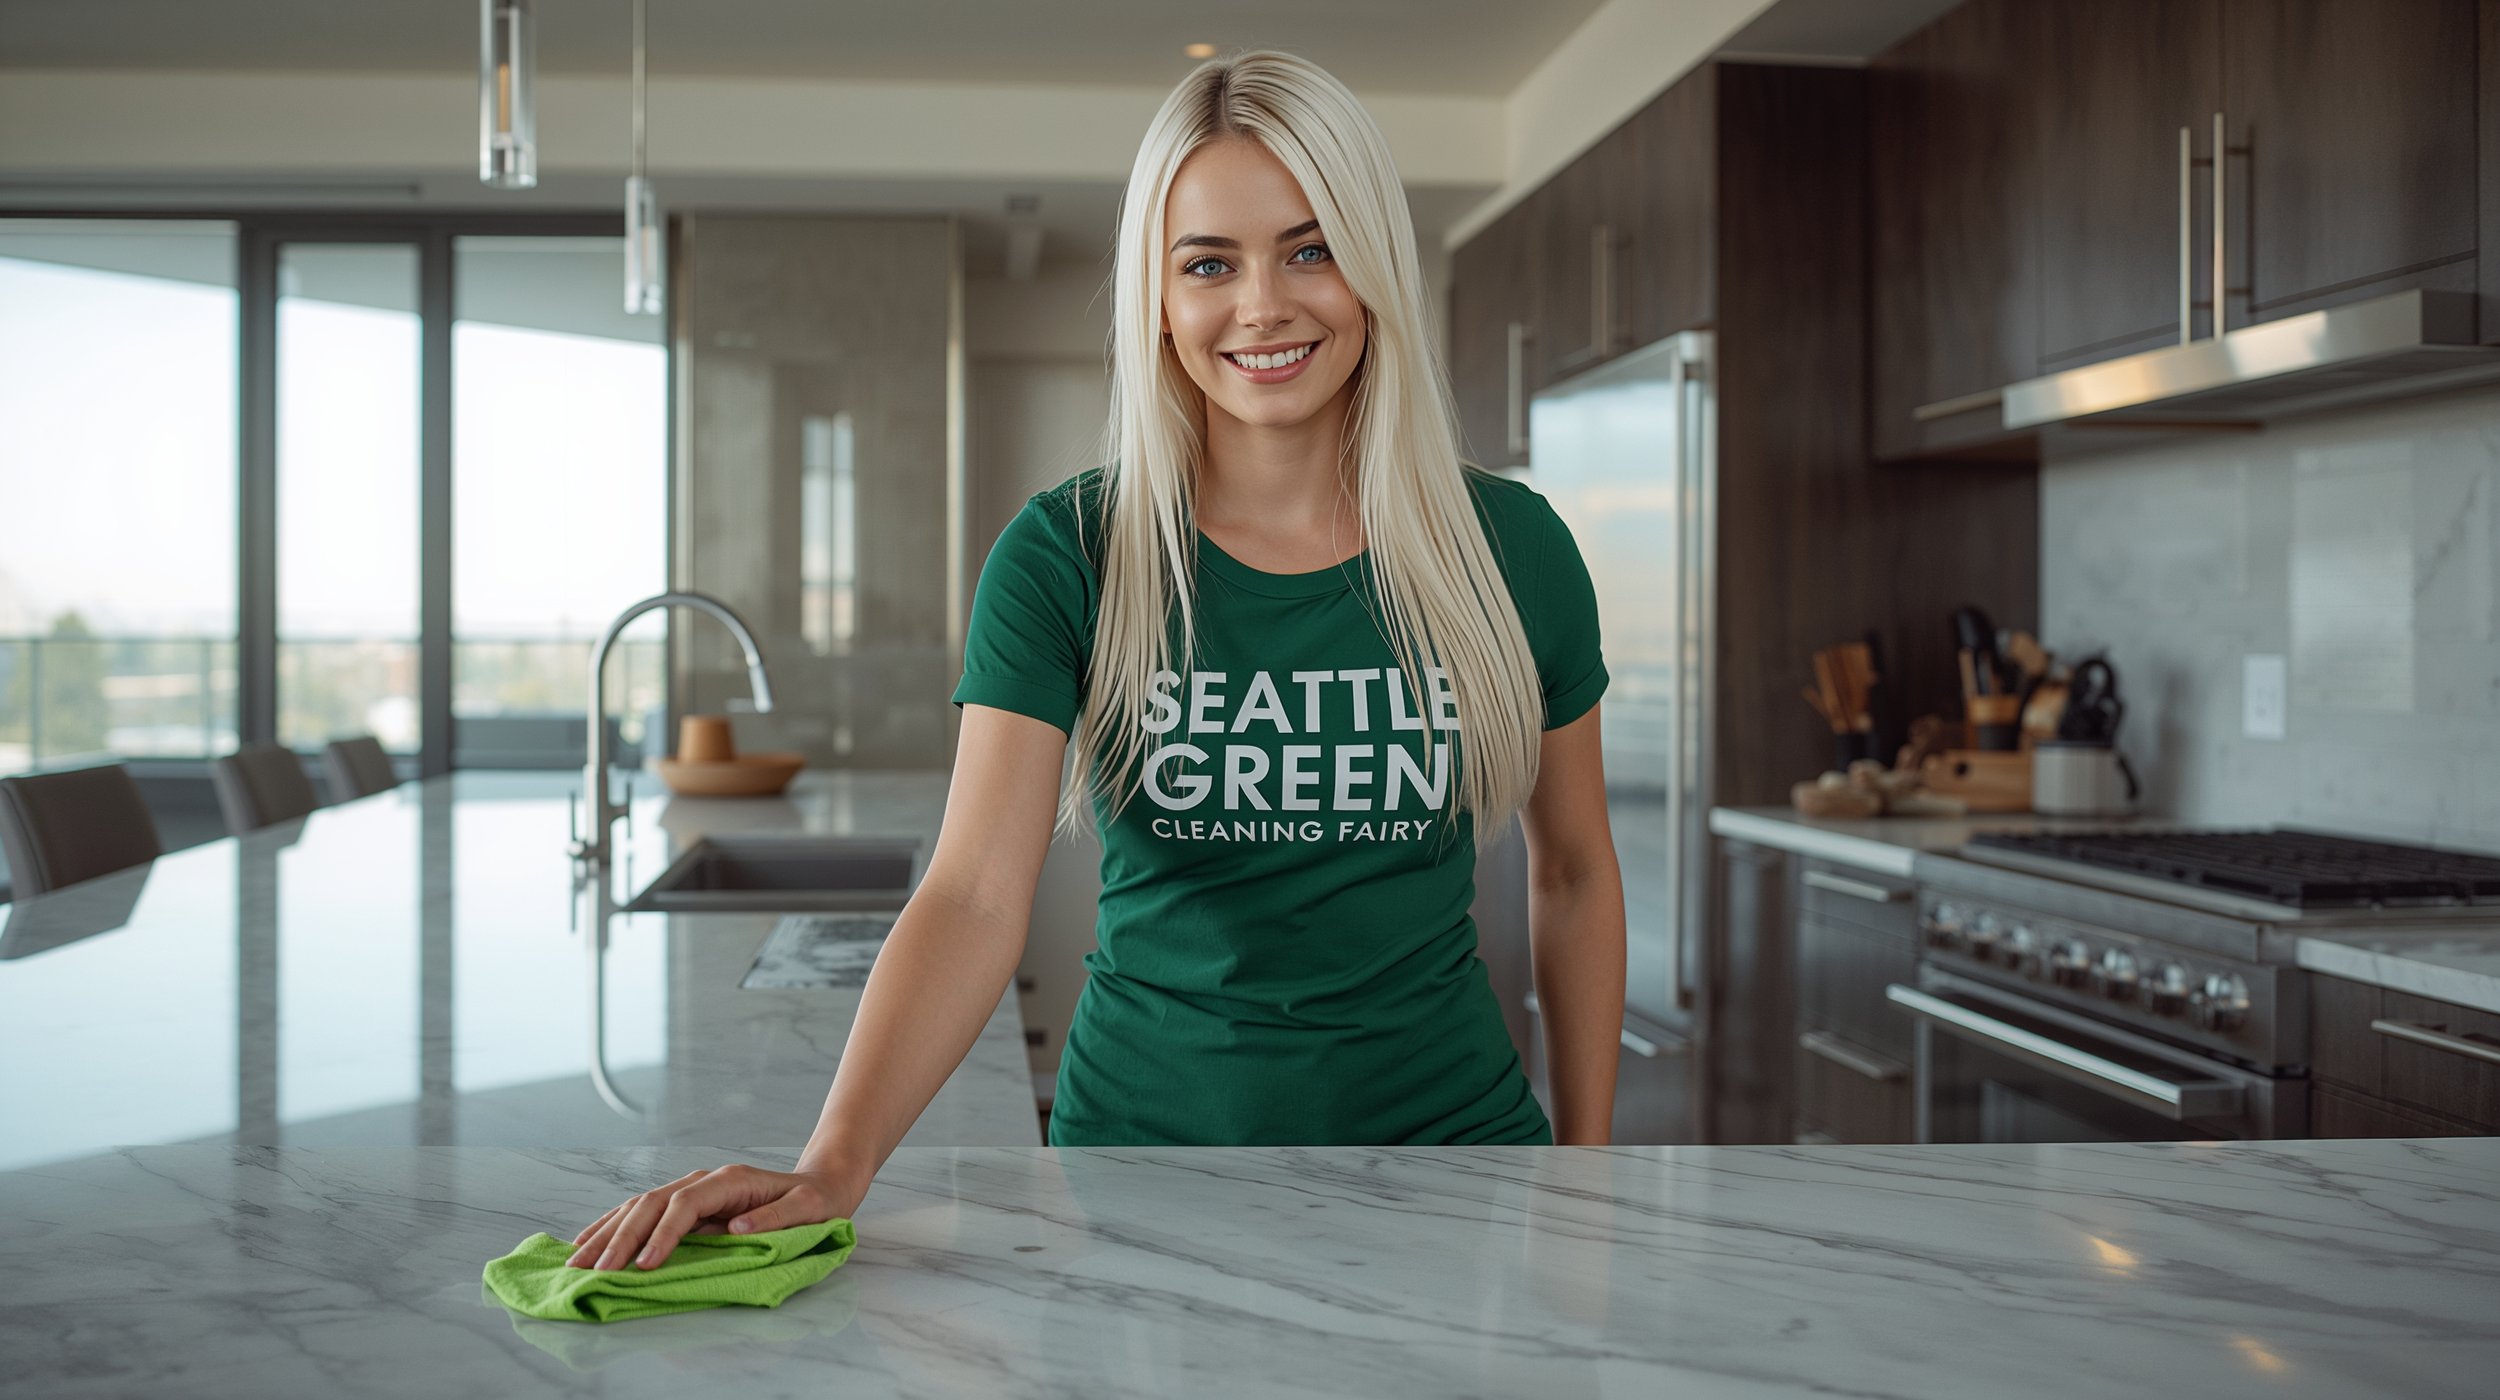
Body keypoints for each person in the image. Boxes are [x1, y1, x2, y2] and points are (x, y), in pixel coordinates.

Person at [564, 47, 1626, 1274]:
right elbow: (971, 893)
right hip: (1140, 1177)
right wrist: (835, 1157)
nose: (1263, 305)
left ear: (1375, 262)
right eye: (1210, 263)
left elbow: (1579, 873)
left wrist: (1588, 1177)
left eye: (1311, 246)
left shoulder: (1512, 548)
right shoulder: (1067, 552)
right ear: (1160, 300)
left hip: (1455, 1171)